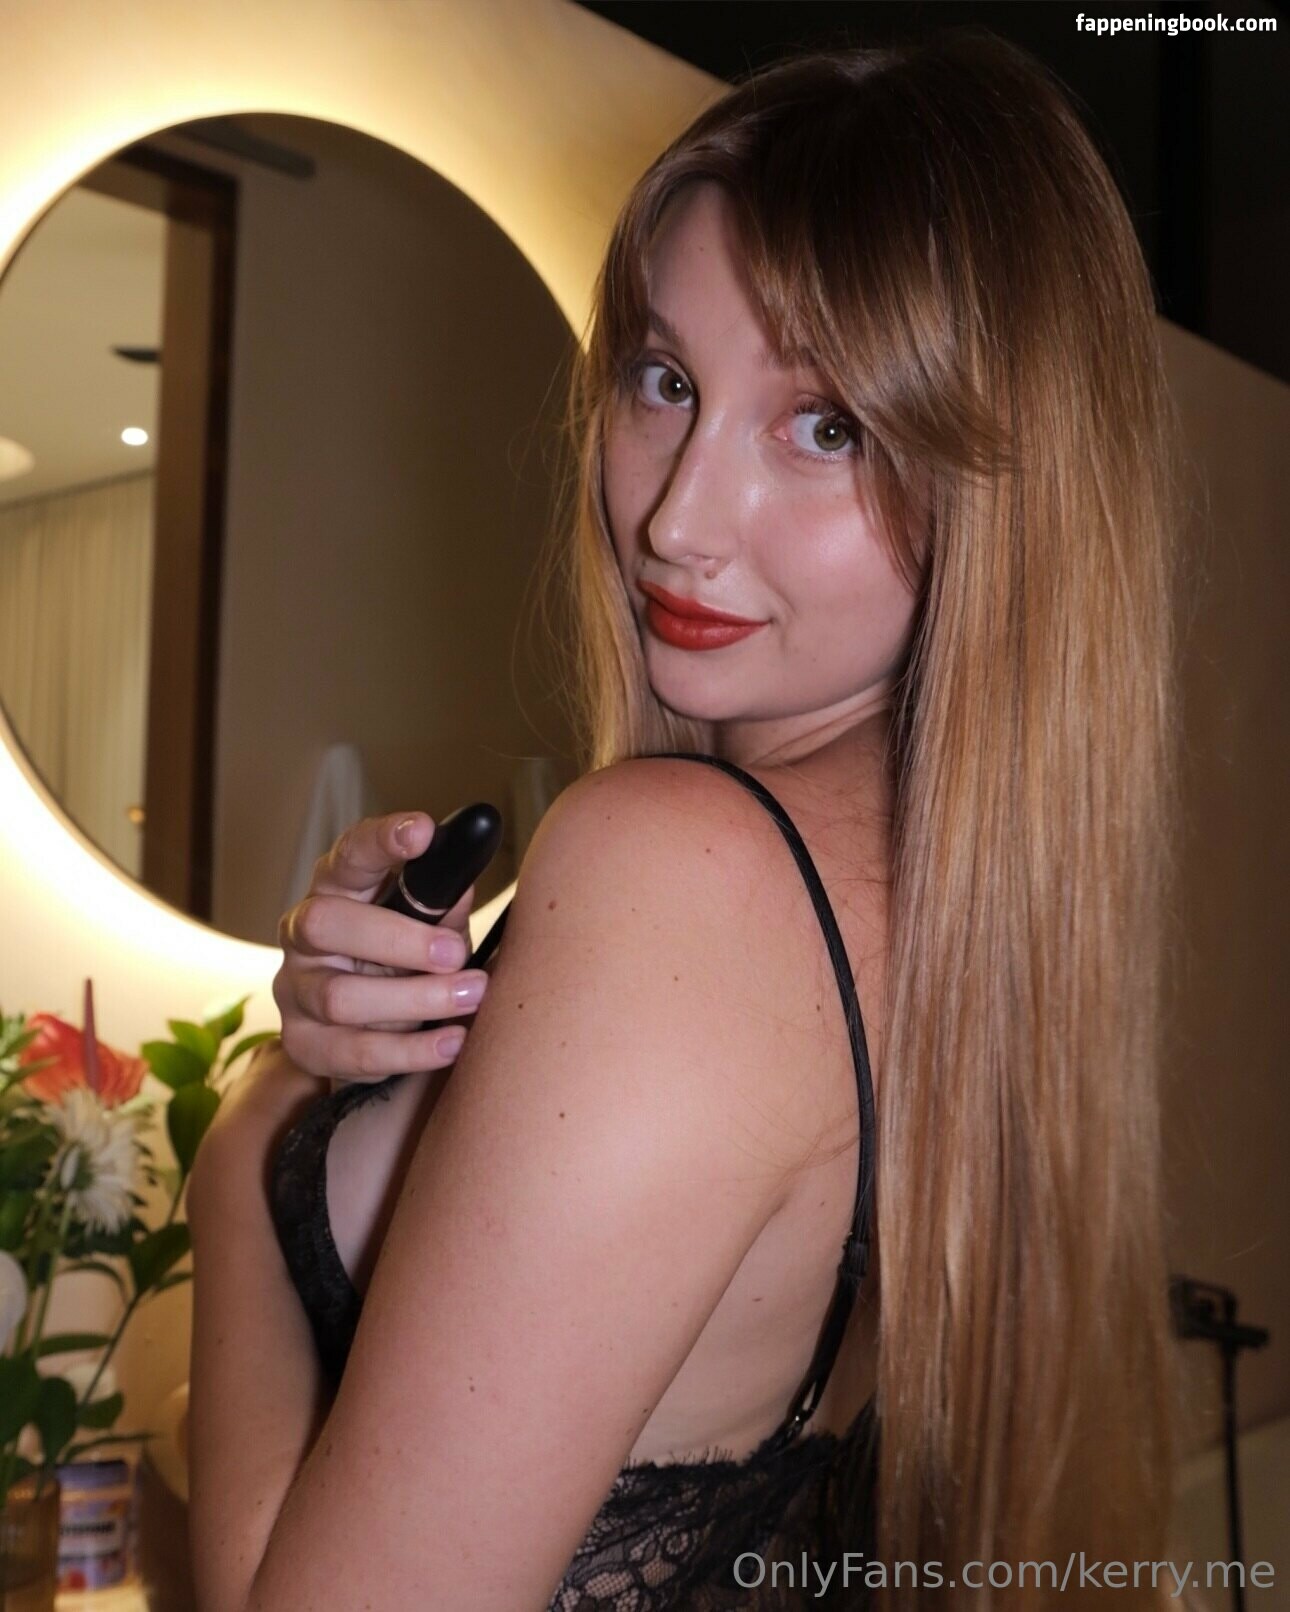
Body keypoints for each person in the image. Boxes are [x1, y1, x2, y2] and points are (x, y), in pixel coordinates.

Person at [186, 27, 1187, 1612]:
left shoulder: (680, 870)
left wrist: (245, 1147)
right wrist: (352, 1049)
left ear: (1007, 494)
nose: (674, 517)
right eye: (666, 382)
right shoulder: (942, 914)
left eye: (826, 426)